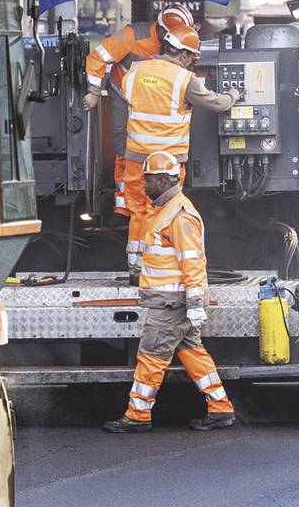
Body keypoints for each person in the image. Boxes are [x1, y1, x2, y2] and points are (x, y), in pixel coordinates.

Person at [103, 151, 235, 433]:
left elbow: (192, 261)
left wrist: (195, 302)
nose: (143, 184)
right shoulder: (167, 210)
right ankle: (220, 408)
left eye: (148, 179)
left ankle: (138, 414)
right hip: (174, 301)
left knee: (151, 356)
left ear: (163, 181)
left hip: (171, 303)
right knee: (192, 352)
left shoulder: (179, 215)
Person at [111, 26, 240, 282]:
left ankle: (136, 268)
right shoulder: (184, 79)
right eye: (193, 57)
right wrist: (234, 94)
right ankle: (158, 269)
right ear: (182, 54)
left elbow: (127, 99)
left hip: (136, 159)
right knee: (165, 212)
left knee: (139, 211)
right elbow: (217, 103)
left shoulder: (136, 71)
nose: (193, 63)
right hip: (167, 165)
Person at [82, 5, 195, 222]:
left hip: (156, 103)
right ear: (162, 31)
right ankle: (124, 205)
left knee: (157, 151)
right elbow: (97, 57)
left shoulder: (175, 44)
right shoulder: (131, 36)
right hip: (125, 98)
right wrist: (94, 92)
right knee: (125, 149)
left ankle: (159, 202)